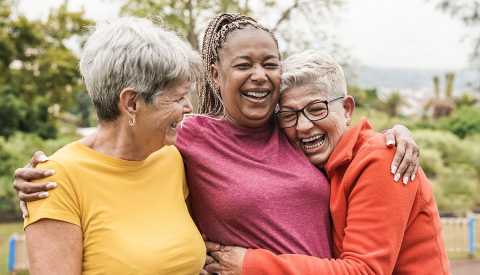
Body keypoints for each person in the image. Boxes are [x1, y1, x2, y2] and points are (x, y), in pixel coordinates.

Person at [14, 13, 420, 271]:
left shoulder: (292, 129)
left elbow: (341, 133)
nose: (260, 76)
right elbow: (116, 141)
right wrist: (47, 170)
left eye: (270, 64)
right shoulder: (188, 140)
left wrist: (394, 134)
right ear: (215, 73)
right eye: (243, 65)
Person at [203, 51, 449, 275]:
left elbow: (363, 271)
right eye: (289, 114)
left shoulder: (381, 160)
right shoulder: (320, 164)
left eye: (317, 109)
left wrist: (250, 264)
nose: (304, 126)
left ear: (347, 109)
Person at [19, 17, 206, 275]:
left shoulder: (171, 158)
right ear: (131, 103)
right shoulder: (54, 180)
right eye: (178, 97)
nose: (188, 108)